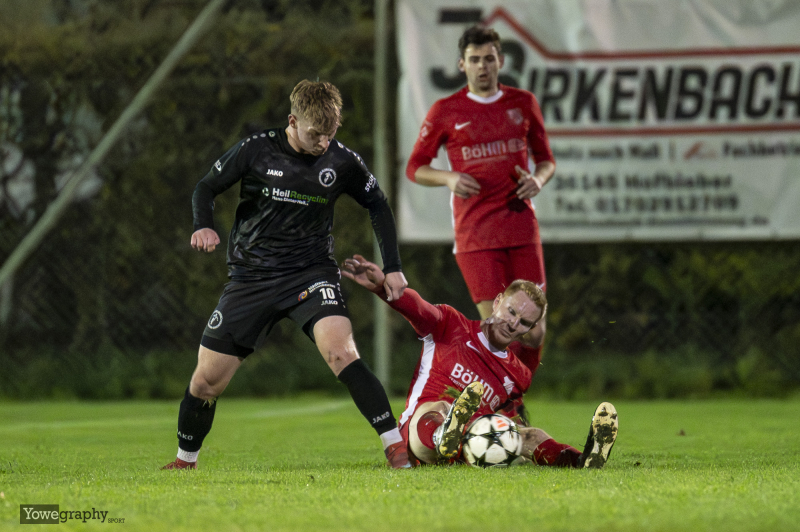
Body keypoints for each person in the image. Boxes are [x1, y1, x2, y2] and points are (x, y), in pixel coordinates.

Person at [162, 80, 411, 470]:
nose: (323, 143)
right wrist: (202, 224)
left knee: (341, 351)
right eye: (315, 134)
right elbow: (206, 187)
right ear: (292, 121)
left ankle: (396, 446)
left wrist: (393, 266)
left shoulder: (342, 161)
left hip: (310, 274)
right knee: (206, 382)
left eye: (331, 134)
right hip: (251, 277)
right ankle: (184, 461)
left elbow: (377, 205)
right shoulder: (256, 149)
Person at [341, 255, 617, 468]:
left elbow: (507, 418)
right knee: (439, 407)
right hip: (419, 440)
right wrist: (381, 287)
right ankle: (444, 436)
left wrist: (513, 436)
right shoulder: (450, 324)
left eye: (524, 322)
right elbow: (418, 308)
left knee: (529, 434)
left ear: (528, 330)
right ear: (497, 302)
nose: (512, 323)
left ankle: (583, 460)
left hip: (474, 444)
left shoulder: (517, 374)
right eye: (510, 311)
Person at [405, 26, 556, 373]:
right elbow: (415, 167)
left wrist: (538, 180)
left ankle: (516, 396)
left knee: (534, 331)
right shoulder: (447, 110)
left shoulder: (523, 103)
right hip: (477, 235)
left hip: (521, 229)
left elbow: (546, 161)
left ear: (501, 60)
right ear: (462, 65)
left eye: (489, 58)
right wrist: (449, 177)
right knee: (501, 329)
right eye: (474, 60)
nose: (483, 66)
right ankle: (509, 407)